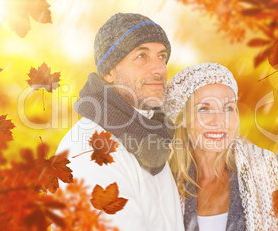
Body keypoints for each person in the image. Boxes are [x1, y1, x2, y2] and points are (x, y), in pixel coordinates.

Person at [56, 13, 184, 231]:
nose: (160, 69)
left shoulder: (156, 138)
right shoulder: (92, 150)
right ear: (109, 72)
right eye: (142, 56)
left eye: (162, 56)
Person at [163, 63, 278, 231]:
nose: (220, 120)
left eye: (228, 108)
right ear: (181, 119)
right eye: (204, 109)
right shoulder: (165, 186)